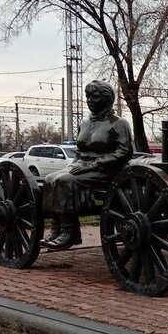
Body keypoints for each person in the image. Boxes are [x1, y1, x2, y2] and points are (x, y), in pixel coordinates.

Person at [42, 80, 134, 250]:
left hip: (108, 170)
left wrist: (93, 165)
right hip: (83, 166)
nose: (89, 100)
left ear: (106, 99)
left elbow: (125, 152)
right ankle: (57, 229)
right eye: (88, 96)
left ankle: (70, 233)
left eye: (94, 96)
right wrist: (71, 167)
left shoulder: (119, 123)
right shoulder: (84, 123)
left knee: (65, 181)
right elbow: (79, 151)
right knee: (49, 179)